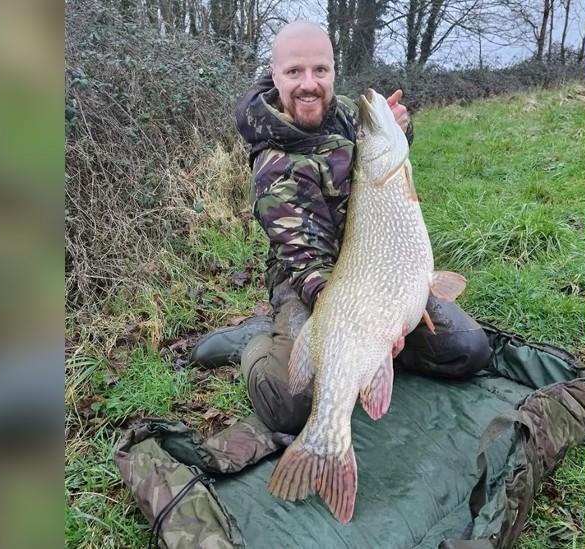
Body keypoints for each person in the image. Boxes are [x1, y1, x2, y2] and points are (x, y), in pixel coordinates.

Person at [190, 21, 490, 435]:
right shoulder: (275, 168)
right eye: (295, 72)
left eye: (320, 70)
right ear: (275, 75)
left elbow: (383, 161)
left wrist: (400, 128)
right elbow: (310, 270)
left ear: (333, 71)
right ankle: (254, 341)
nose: (309, 84)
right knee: (291, 407)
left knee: (468, 351)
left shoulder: (346, 113)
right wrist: (368, 324)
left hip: (377, 270)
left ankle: (376, 356)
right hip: (310, 284)